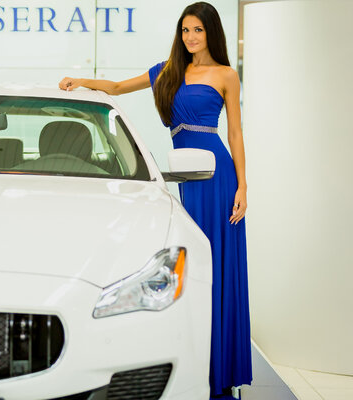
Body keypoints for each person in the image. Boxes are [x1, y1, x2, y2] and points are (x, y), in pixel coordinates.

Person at [58, 2, 251, 399]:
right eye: (185, 30)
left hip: (217, 175)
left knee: (216, 264)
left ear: (211, 33)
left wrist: (243, 187)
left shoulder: (226, 75)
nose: (190, 37)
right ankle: (194, 362)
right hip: (184, 174)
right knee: (192, 263)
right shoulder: (167, 71)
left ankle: (220, 371)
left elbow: (234, 133)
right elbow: (116, 89)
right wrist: (80, 82)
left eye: (197, 30)